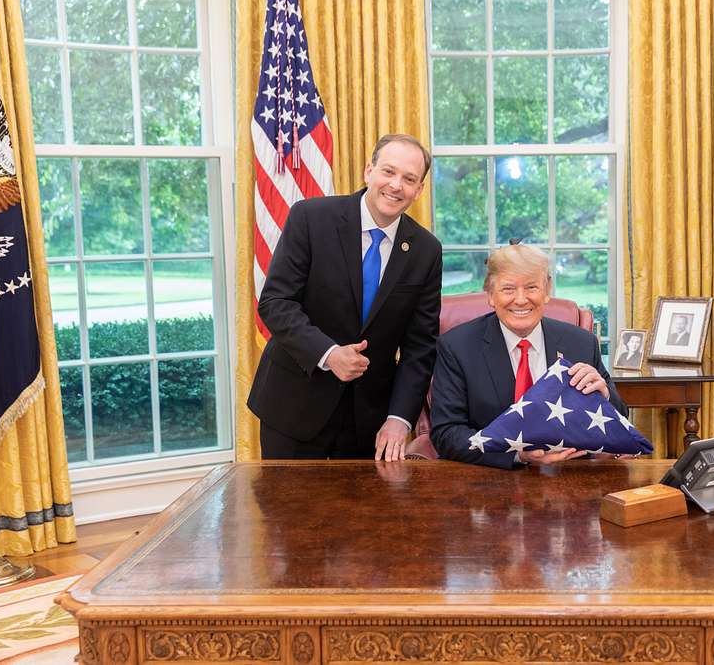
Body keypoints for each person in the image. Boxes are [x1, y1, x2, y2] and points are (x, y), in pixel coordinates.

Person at [248, 134, 442, 462]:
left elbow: (420, 346)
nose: (396, 185)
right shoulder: (311, 218)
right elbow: (276, 302)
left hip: (368, 422)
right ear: (369, 171)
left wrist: (398, 420)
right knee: (286, 513)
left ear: (419, 190)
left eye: (409, 179)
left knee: (358, 514)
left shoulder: (426, 250)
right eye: (388, 172)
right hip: (294, 406)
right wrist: (328, 353)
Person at [431, 243, 627, 469]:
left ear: (547, 291)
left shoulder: (580, 342)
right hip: (491, 481)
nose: (521, 299)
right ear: (491, 295)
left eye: (532, 287)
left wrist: (604, 394)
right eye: (508, 289)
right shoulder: (457, 347)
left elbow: (620, 419)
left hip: (570, 476)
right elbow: (446, 433)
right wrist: (518, 455)